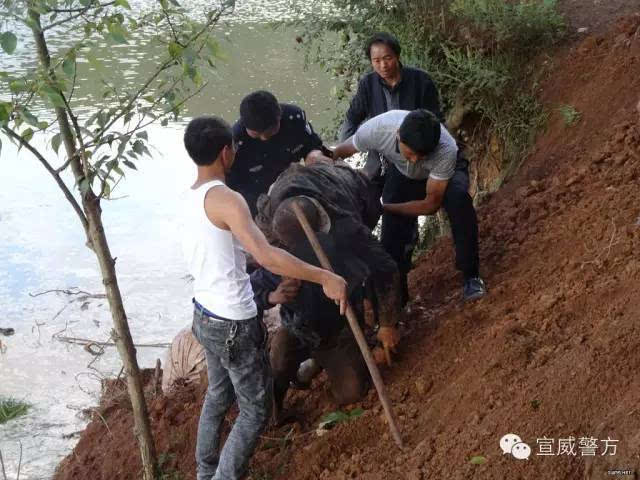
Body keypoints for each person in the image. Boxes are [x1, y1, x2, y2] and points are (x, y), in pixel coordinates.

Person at [182, 116, 348, 480]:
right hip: (232, 322)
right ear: (226, 152)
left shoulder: (190, 197)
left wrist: (273, 253)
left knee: (218, 395)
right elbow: (267, 255)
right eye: (235, 147)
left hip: (203, 313)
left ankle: (205, 471)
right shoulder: (228, 199)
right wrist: (324, 276)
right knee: (255, 410)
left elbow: (240, 250)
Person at [253, 162, 403, 421]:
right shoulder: (271, 237)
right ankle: (276, 406)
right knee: (277, 366)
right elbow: (251, 288)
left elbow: (385, 267)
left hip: (339, 326)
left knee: (351, 392)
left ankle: (326, 358)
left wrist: (387, 323)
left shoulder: (345, 226)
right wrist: (273, 295)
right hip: (298, 324)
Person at [338, 32, 446, 305]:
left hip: (413, 159)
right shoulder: (367, 85)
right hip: (380, 156)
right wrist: (345, 154)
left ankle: (399, 290)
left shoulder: (420, 81)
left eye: (387, 58)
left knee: (399, 229)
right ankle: (365, 291)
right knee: (361, 212)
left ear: (397, 56)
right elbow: (352, 120)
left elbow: (435, 122)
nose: (383, 65)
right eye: (376, 60)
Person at [333, 109, 486, 301]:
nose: (415, 159)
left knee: (459, 200)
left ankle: (471, 275)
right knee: (390, 235)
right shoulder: (377, 130)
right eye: (411, 152)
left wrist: (387, 208)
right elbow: (338, 153)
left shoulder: (445, 150)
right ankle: (396, 299)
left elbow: (430, 206)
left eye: (421, 155)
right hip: (402, 173)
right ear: (398, 136)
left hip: (445, 174)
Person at [227, 90, 334, 217]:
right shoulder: (235, 142)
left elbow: (311, 143)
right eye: (257, 134)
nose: (264, 138)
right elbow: (231, 183)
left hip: (291, 183)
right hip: (255, 195)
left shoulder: (294, 118)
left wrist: (314, 154)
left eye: (270, 131)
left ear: (279, 116)